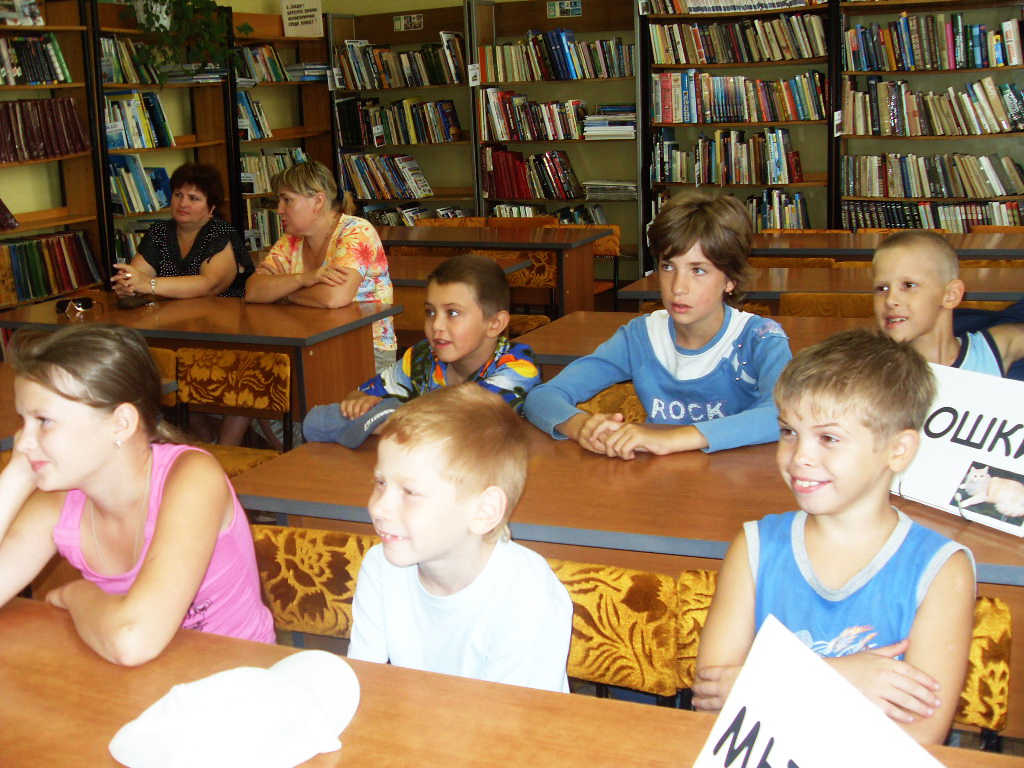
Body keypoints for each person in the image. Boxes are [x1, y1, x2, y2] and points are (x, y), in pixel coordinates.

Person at [693, 329, 976, 745]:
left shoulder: (942, 570)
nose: (800, 456)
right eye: (789, 431)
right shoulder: (755, 546)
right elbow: (712, 696)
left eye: (828, 438)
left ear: (898, 450)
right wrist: (843, 676)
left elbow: (920, 734)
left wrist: (762, 684)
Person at [0, 324, 275, 666]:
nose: (23, 442)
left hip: (238, 680)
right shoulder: (61, 499)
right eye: (23, 422)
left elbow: (133, 642)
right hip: (142, 682)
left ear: (120, 424)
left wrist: (77, 594)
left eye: (43, 421)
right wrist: (16, 476)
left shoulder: (192, 478)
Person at [524, 190, 792, 458]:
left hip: (738, 478)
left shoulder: (760, 339)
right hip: (658, 478)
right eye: (668, 267)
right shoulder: (640, 336)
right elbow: (542, 396)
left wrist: (672, 439)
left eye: (698, 270)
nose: (678, 287)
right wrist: (582, 427)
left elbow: (784, 413)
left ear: (731, 280)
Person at [347, 384, 573, 692]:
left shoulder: (525, 597)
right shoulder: (381, 566)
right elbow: (361, 682)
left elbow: (509, 719)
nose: (378, 507)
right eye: (380, 482)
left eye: (410, 492)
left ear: (483, 510)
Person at [302, 254, 540, 448]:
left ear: (495, 324)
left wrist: (384, 416)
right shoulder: (423, 357)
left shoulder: (518, 366)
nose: (436, 325)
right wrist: (362, 406)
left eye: (453, 313)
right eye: (430, 312)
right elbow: (356, 398)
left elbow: (462, 425)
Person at [244, 160, 396, 373]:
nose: (279, 210)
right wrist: (303, 279)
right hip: (307, 340)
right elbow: (253, 290)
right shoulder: (292, 240)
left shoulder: (356, 231)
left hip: (364, 346)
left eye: (287, 200)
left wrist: (283, 291)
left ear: (318, 201)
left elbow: (333, 297)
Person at [872, 230, 1024, 377]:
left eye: (908, 285)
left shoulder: (989, 350)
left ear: (951, 295)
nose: (890, 300)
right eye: (881, 288)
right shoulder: (875, 375)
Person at [112, 163, 254, 300]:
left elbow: (210, 285)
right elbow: (137, 277)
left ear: (211, 207)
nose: (183, 203)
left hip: (220, 313)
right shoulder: (159, 231)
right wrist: (128, 287)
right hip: (169, 313)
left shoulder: (220, 232)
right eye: (178, 195)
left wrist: (150, 285)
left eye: (193, 198)